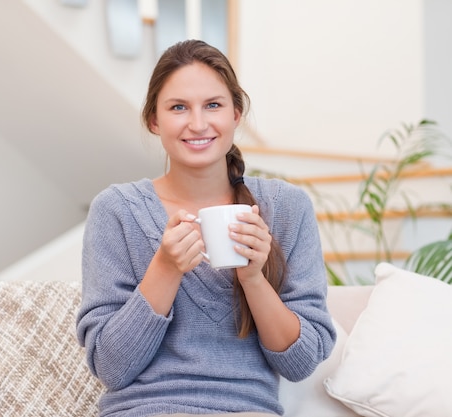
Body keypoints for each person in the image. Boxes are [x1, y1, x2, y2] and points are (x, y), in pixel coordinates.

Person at [76, 39, 336, 417]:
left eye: (213, 105)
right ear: (154, 120)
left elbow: (300, 364)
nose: (197, 124)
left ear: (236, 113)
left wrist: (253, 278)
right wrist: (165, 268)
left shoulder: (285, 209)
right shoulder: (116, 210)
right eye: (178, 107)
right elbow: (111, 368)